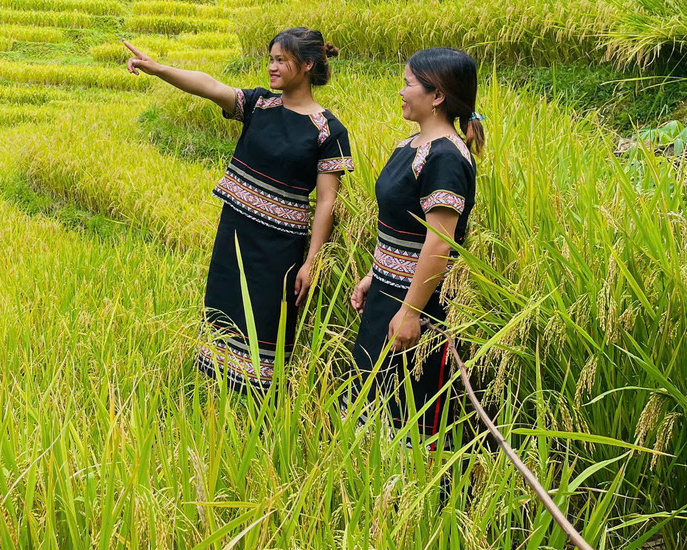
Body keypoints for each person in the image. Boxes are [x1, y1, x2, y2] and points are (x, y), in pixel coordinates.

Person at [124, 28, 354, 395]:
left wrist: (312, 262)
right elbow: (208, 85)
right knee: (222, 312)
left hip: (279, 249)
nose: (272, 67)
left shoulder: (329, 129)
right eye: (271, 59)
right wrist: (159, 69)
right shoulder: (259, 104)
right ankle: (213, 400)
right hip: (235, 234)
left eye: (281, 60)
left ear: (307, 64)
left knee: (265, 323)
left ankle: (257, 408)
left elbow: (327, 200)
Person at [350, 47, 485, 446]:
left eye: (408, 84)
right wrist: (374, 276)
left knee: (403, 416)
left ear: (437, 95)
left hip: (418, 307)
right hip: (389, 296)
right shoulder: (411, 146)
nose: (401, 92)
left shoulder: (444, 158)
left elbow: (439, 245)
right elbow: (401, 230)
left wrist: (410, 312)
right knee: (370, 405)